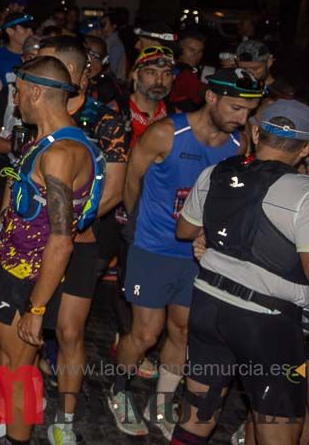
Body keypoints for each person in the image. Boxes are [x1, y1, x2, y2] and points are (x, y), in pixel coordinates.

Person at [0, 57, 102, 445]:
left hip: (27, 279)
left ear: (35, 91)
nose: (15, 100)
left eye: (18, 92)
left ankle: (13, 432)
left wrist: (37, 310)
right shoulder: (45, 139)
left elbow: (62, 239)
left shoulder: (61, 155)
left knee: (16, 368)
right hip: (3, 261)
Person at [107, 68, 263, 437]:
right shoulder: (166, 132)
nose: (242, 118)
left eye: (248, 111)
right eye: (236, 108)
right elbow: (132, 179)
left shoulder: (235, 145)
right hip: (152, 248)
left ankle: (160, 404)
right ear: (211, 97)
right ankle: (119, 390)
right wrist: (138, 228)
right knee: (146, 334)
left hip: (197, 255)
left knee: (183, 332)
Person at [174, 100, 309, 445]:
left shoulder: (217, 172)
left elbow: (185, 231)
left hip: (208, 307)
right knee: (277, 428)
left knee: (196, 416)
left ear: (255, 132)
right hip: (268, 325)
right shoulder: (304, 195)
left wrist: (216, 231)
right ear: (305, 148)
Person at [34, 35, 130, 445]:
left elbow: (115, 188)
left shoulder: (106, 120)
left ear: (75, 72)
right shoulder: (36, 111)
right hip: (31, 239)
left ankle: (66, 417)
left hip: (80, 240)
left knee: (70, 331)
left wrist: (70, 225)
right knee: (27, 323)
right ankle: (27, 389)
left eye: (51, 64)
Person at [128, 46, 174, 141]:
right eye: (151, 73)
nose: (159, 81)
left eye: (167, 74)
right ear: (136, 75)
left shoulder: (175, 116)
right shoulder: (116, 111)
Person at [0, 12, 35, 86]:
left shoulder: (37, 56)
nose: (31, 33)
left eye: (31, 29)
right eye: (25, 28)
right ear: (10, 31)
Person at [169, 29, 208, 111]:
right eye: (191, 50)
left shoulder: (191, 70)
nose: (196, 55)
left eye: (200, 51)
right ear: (179, 48)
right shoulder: (181, 71)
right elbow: (200, 91)